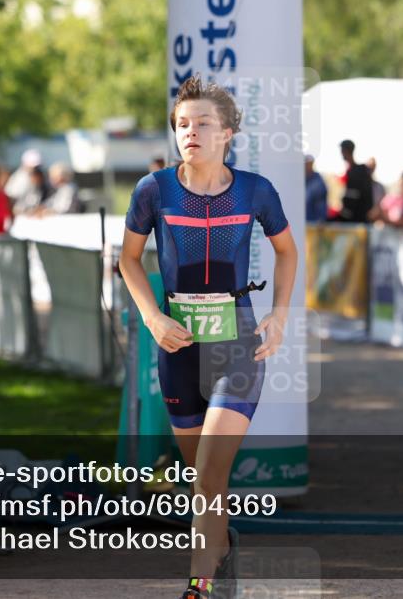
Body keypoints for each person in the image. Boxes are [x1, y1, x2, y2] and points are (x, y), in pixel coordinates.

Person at [119, 75, 297, 599]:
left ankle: (199, 585)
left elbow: (287, 252)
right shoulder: (154, 190)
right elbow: (128, 259)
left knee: (206, 472)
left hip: (239, 343)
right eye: (181, 124)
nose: (189, 132)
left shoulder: (254, 191)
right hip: (178, 347)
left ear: (228, 133)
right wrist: (153, 316)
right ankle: (220, 547)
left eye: (202, 123)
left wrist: (279, 313)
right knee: (200, 481)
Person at [337, 139, 373, 222]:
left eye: (342, 151)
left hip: (357, 221)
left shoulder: (360, 171)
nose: (341, 154)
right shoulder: (353, 171)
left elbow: (358, 198)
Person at [304, 154, 328, 222]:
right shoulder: (300, 180)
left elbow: (321, 204)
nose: (307, 166)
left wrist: (321, 219)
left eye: (309, 164)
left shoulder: (318, 181)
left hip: (314, 222)